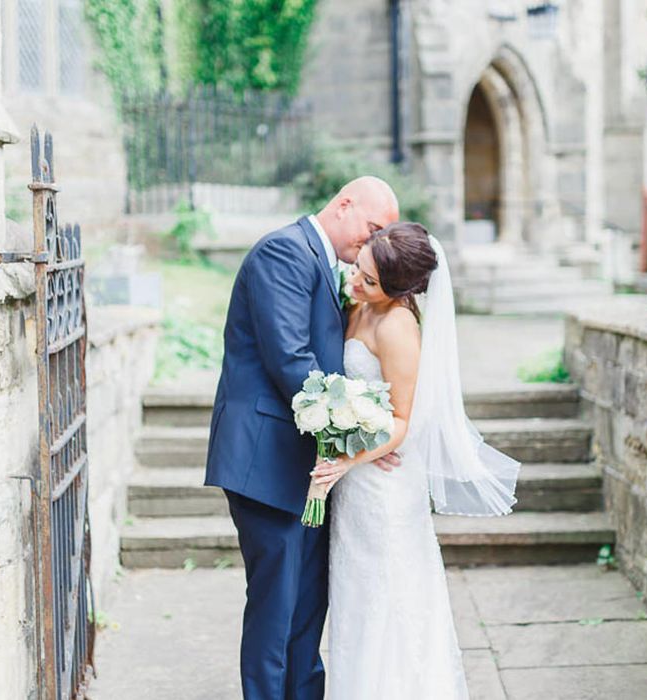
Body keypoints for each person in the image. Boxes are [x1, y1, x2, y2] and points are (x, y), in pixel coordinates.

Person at [204, 177, 399, 699]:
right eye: (373, 229)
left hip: (307, 466)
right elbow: (292, 361)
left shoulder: (324, 262)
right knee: (276, 605)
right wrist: (361, 433)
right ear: (344, 204)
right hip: (265, 461)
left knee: (308, 603)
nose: (374, 242)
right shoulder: (283, 253)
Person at [311, 222, 521, 699]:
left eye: (369, 282)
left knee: (390, 601)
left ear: (402, 289)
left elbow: (403, 420)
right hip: (358, 484)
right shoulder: (360, 299)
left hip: (383, 488)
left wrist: (348, 459)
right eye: (359, 269)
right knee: (356, 601)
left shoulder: (399, 326)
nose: (356, 283)